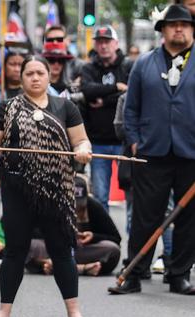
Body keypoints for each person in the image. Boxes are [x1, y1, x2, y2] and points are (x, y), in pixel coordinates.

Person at [0, 56, 93, 317]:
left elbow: (81, 140)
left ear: (49, 77)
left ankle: (73, 311)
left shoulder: (66, 107)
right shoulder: (5, 108)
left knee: (61, 249)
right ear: (20, 78)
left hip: (57, 190)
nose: (35, 77)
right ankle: (4, 311)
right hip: (17, 188)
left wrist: (82, 150)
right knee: (15, 250)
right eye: (29, 73)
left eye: (40, 73)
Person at [109, 5, 195, 295]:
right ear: (163, 31)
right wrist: (134, 141)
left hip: (191, 152)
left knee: (188, 218)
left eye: (185, 24)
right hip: (151, 152)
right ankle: (135, 272)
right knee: (146, 215)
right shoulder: (144, 63)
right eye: (173, 25)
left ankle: (179, 275)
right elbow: (130, 108)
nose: (179, 29)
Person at [80, 26, 132, 212]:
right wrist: (116, 88)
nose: (103, 46)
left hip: (123, 142)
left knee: (131, 193)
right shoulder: (88, 67)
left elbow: (131, 95)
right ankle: (106, 238)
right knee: (100, 196)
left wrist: (104, 100)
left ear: (116, 43)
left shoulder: (128, 66)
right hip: (98, 141)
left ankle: (132, 239)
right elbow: (87, 90)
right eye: (99, 42)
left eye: (107, 41)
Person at [26, 176, 121, 276]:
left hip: (82, 250)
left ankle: (54, 266)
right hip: (56, 248)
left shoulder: (93, 206)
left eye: (80, 206)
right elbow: (31, 232)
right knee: (27, 246)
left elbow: (115, 238)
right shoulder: (51, 204)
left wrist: (93, 237)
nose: (76, 211)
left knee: (113, 250)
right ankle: (83, 268)